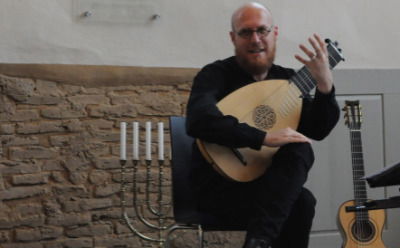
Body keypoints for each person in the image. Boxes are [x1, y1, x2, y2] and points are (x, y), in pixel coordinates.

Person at [185, 2, 340, 248]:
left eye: (262, 30)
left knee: (301, 173)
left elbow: (318, 130)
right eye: (245, 32)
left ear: (274, 33)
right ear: (233, 38)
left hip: (268, 186)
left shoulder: (289, 80)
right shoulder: (215, 74)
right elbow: (198, 120)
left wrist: (325, 88)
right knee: (297, 199)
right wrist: (262, 138)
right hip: (220, 190)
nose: (255, 39)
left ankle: (258, 241)